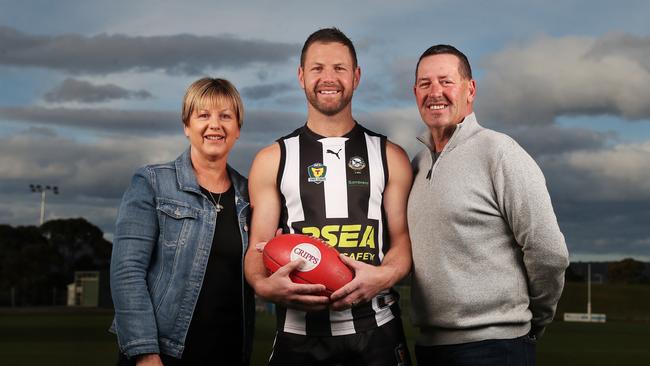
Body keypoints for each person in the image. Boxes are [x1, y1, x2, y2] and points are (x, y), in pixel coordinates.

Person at [244, 28, 413, 366]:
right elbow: (258, 247)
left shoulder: (390, 155)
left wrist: (383, 276)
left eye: (339, 68)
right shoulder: (272, 159)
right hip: (300, 338)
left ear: (357, 76)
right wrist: (263, 286)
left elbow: (403, 241)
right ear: (301, 75)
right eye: (318, 68)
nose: (328, 78)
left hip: (376, 332)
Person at [407, 44, 570, 365]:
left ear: (471, 89)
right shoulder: (416, 163)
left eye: (446, 81)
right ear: (415, 93)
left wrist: (530, 322)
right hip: (430, 347)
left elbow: (549, 253)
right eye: (425, 84)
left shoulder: (500, 153)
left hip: (494, 347)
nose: (434, 92)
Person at [110, 78, 254, 366]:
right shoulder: (152, 182)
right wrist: (145, 352)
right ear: (187, 126)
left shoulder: (250, 195)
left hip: (229, 352)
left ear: (238, 129)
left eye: (226, 116)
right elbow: (127, 271)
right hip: (164, 354)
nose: (215, 125)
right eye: (203, 115)